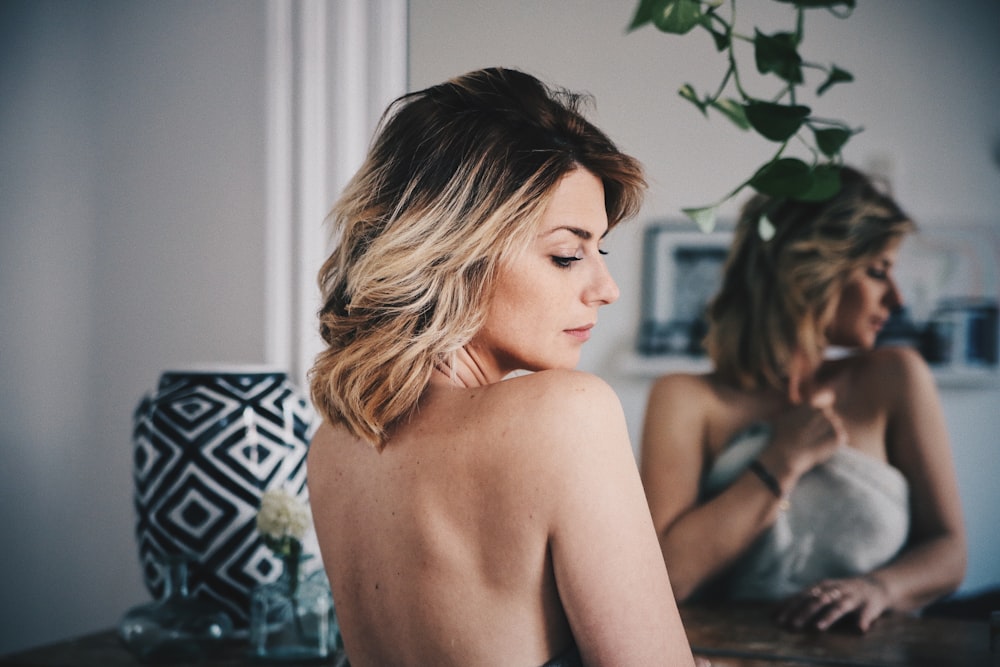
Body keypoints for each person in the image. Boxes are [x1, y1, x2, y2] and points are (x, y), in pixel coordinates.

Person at [306, 68, 698, 667]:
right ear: (453, 252)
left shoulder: (335, 446)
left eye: (600, 250)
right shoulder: (565, 412)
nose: (607, 288)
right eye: (567, 255)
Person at [639, 166, 967, 633]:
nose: (895, 299)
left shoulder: (896, 378)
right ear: (811, 271)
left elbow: (950, 550)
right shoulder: (686, 399)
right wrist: (782, 458)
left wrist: (880, 589)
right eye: (877, 272)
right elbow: (667, 579)